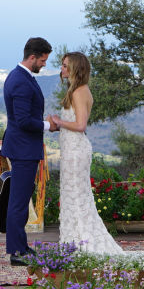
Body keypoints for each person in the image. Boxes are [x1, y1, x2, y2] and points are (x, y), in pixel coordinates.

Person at [49, 52, 124, 255]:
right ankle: (73, 241)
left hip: (76, 151)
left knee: (76, 196)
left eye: (66, 66)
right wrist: (58, 125)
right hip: (71, 149)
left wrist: (59, 121)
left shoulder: (79, 92)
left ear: (75, 68)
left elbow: (81, 125)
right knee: (72, 196)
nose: (62, 69)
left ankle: (81, 242)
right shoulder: (77, 90)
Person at [1, 37, 56, 265]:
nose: (44, 64)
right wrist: (48, 125)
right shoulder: (21, 81)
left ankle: (21, 246)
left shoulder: (21, 76)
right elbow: (23, 121)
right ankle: (16, 252)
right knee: (19, 201)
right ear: (32, 57)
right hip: (23, 149)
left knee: (21, 199)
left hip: (23, 147)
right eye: (42, 60)